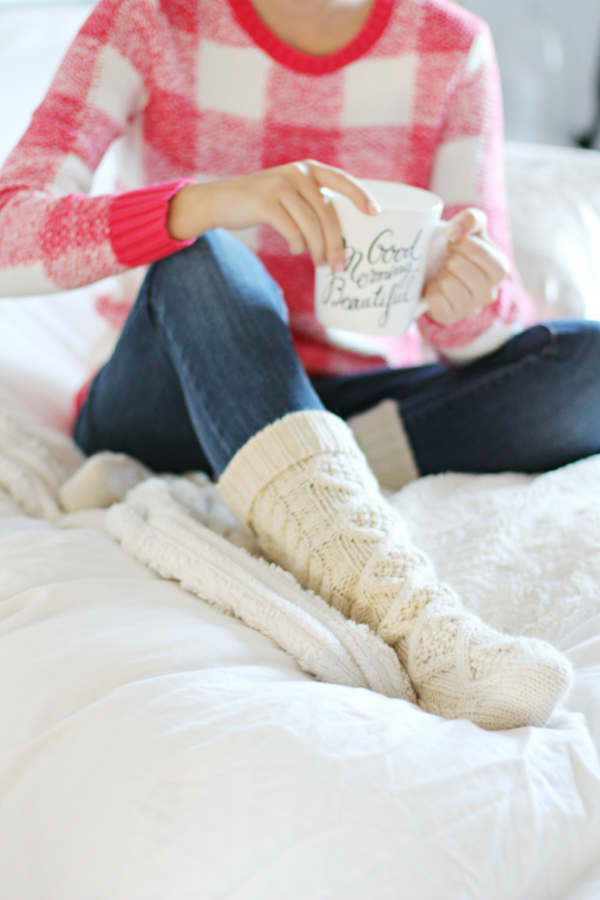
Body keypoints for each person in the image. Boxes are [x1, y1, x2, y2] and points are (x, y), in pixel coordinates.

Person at [1, 0, 595, 730]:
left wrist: (462, 300)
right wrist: (205, 205)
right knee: (205, 255)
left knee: (586, 362)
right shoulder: (147, 18)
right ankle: (416, 621)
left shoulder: (451, 45)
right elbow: (9, 229)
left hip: (347, 394)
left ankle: (290, 478)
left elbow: (489, 320)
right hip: (168, 395)